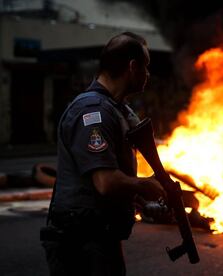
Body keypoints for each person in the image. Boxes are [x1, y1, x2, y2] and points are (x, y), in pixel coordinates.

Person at [41, 32, 167, 276]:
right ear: (132, 67)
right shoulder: (93, 112)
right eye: (146, 66)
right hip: (79, 243)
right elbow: (105, 182)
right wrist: (145, 185)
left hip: (99, 236)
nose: (148, 74)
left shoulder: (115, 109)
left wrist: (141, 201)